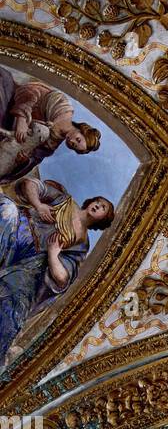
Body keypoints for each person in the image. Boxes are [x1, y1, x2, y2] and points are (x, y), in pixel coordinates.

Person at [0, 178, 114, 365]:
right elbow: (31, 184)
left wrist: (53, 254)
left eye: (103, 208)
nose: (98, 206)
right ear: (91, 200)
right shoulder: (65, 201)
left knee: (15, 307)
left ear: (103, 219)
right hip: (18, 227)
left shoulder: (81, 244)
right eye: (98, 202)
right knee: (7, 209)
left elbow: (62, 278)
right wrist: (38, 205)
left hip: (29, 261)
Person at [0, 67, 100, 182]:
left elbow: (33, 159)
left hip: (8, 137)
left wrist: (24, 159)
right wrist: (21, 118)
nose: (72, 142)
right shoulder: (62, 105)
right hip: (10, 103)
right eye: (78, 140)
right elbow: (31, 90)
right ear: (81, 130)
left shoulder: (52, 145)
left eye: (74, 146)